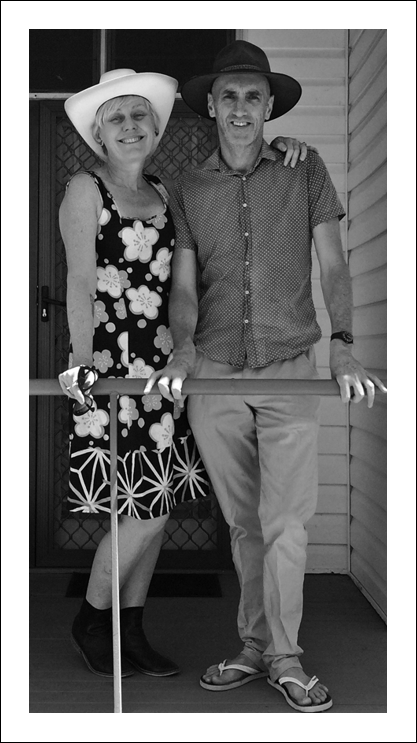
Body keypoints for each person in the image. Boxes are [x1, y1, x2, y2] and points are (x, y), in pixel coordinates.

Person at [145, 40, 387, 712]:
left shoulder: (304, 171)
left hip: (289, 365)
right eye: (230, 96)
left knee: (286, 522)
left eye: (254, 96)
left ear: (269, 105)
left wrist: (342, 343)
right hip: (214, 370)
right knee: (245, 523)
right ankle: (253, 647)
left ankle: (285, 657)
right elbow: (185, 283)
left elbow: (334, 266)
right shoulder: (191, 187)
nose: (242, 108)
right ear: (213, 107)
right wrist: (184, 349)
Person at [58, 67, 309, 679]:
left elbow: (182, 284)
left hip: (169, 367)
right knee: (136, 510)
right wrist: (83, 359)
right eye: (116, 118)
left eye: (139, 115)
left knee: (157, 504)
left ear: (156, 126)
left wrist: (277, 145)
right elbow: (80, 281)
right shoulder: (85, 188)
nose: (130, 126)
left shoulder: (170, 192)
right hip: (112, 368)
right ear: (99, 132)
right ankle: (93, 619)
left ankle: (130, 628)